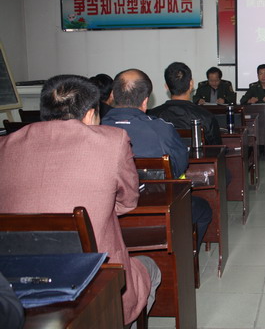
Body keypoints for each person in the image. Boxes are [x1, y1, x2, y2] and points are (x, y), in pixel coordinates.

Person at [0, 75, 160, 326]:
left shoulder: (5, 144)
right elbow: (128, 202)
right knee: (150, 267)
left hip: (14, 280)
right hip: (93, 274)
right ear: (90, 114)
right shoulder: (113, 140)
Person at [102, 69, 212, 251]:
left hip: (106, 215)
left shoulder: (95, 127)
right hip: (158, 212)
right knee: (203, 209)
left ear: (113, 95)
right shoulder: (161, 129)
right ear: (145, 101)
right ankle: (187, 257)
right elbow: (179, 167)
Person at [147, 62, 222, 145]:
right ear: (191, 84)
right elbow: (216, 148)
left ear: (166, 87)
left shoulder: (151, 117)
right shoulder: (206, 117)